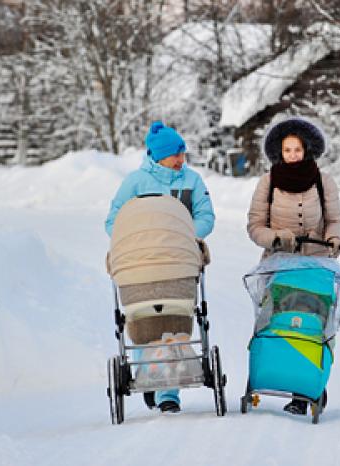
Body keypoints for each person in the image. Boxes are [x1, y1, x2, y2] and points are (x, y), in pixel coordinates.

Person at [105, 120, 215, 413]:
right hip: (142, 261)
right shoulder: (135, 183)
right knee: (146, 323)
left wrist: (185, 236)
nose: (181, 159)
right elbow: (113, 223)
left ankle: (169, 394)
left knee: (173, 323)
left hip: (178, 261)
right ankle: (149, 376)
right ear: (158, 155)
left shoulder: (192, 181)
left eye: (183, 154)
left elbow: (206, 216)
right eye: (175, 154)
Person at [246, 116, 340, 415]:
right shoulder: (269, 182)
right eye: (287, 151)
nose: (292, 156)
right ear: (279, 152)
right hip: (280, 265)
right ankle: (270, 375)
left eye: (297, 150)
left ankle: (304, 392)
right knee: (280, 323)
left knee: (313, 327)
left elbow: (334, 219)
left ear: (307, 150)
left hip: (316, 265)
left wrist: (334, 239)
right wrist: (276, 238)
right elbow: (254, 226)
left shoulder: (323, 181)